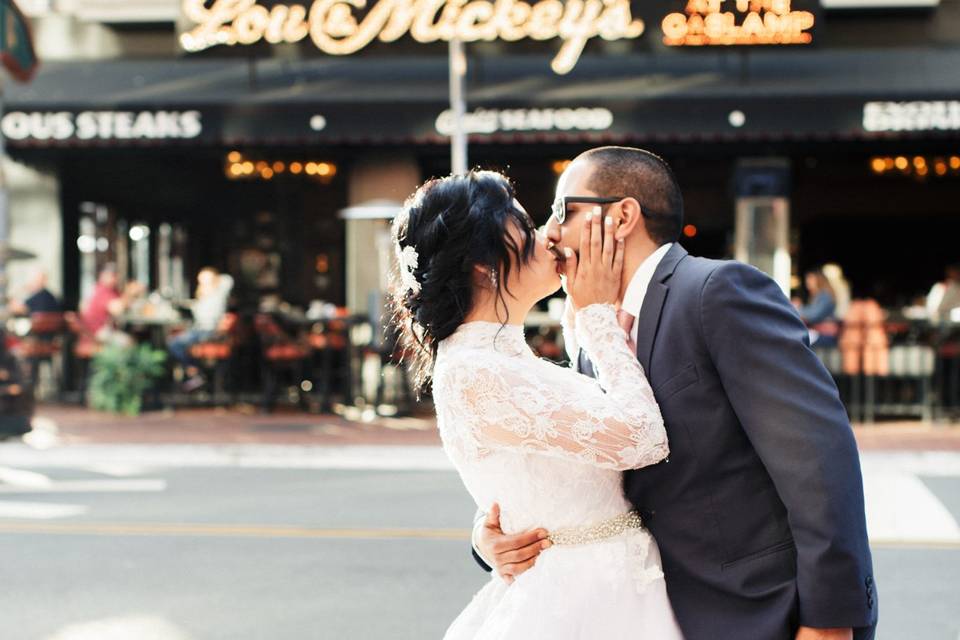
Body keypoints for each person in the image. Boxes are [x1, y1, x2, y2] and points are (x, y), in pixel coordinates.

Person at [475, 147, 877, 640]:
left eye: (563, 211)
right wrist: (489, 537)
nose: (550, 233)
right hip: (646, 614)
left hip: (758, 612)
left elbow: (817, 460)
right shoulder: (591, 327)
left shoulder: (714, 291)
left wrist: (830, 621)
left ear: (622, 216)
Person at [390, 171, 682, 639]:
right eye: (525, 229)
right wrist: (597, 317)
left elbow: (532, 466)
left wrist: (485, 534)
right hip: (579, 603)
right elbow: (643, 439)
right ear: (483, 266)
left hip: (612, 588)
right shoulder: (474, 370)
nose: (548, 234)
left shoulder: (501, 355)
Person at [167, 267, 233, 391]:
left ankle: (196, 373)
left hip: (208, 331)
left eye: (204, 279)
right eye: (200, 280)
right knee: (173, 343)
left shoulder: (219, 293)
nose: (202, 282)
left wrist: (212, 280)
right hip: (199, 329)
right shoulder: (204, 296)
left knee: (175, 344)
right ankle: (197, 373)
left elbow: (228, 279)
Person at [80, 264, 142, 344]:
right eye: (112, 275)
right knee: (129, 341)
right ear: (102, 276)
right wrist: (130, 292)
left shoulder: (112, 290)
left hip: (105, 329)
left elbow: (124, 304)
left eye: (115, 275)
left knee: (135, 336)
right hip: (97, 331)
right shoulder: (102, 290)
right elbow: (117, 309)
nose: (114, 279)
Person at [798, 268, 840, 347]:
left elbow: (814, 315)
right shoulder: (817, 295)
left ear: (819, 280)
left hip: (824, 333)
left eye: (810, 279)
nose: (807, 281)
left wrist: (797, 309)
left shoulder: (825, 295)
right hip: (819, 332)